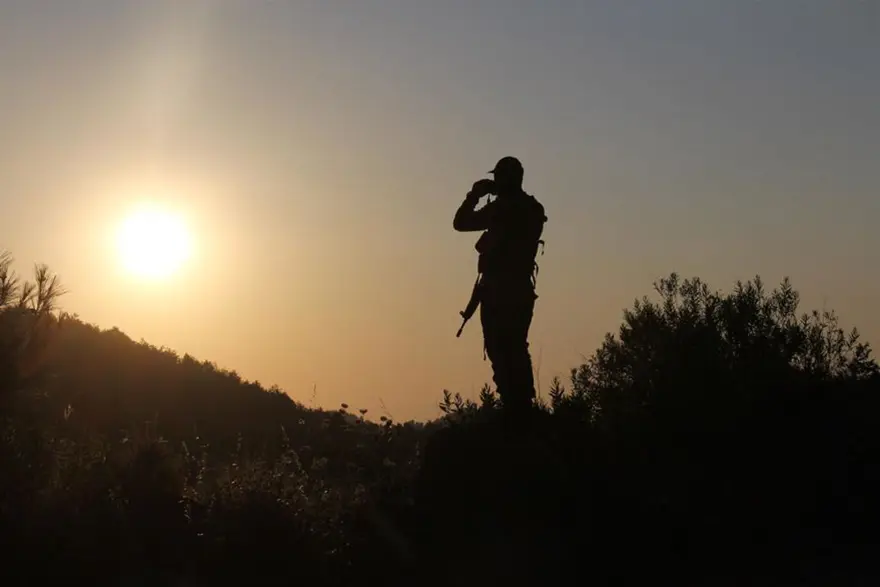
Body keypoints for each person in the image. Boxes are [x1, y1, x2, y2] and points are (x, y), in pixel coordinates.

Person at [453, 156, 547, 420]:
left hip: (498, 290)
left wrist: (475, 194)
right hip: (521, 290)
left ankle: (512, 408)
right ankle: (523, 406)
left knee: (499, 347)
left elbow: (460, 223)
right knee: (517, 346)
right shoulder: (532, 208)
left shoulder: (501, 209)